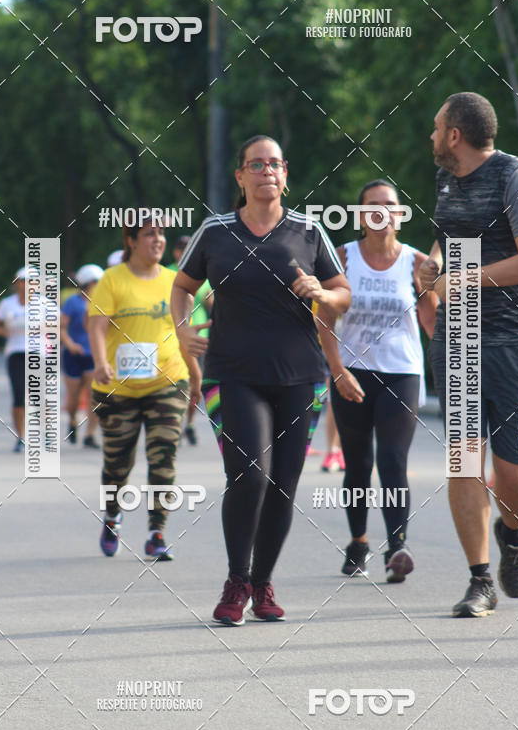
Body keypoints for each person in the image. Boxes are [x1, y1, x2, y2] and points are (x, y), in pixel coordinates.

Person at [171, 134, 351, 625]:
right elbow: (182, 287)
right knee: (249, 476)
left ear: (285, 173)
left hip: (299, 376)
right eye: (256, 164)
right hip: (232, 374)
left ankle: (263, 582)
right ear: (241, 175)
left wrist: (323, 293)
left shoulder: (310, 231)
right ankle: (236, 580)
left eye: (274, 164)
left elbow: (342, 295)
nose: (266, 171)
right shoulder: (216, 230)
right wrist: (183, 329)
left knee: (283, 485)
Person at [420, 92, 518, 617]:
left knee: (514, 471)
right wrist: (431, 268)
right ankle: (479, 581)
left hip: (516, 338)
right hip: (459, 337)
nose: (430, 137)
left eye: (435, 127)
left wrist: (462, 280)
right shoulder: (445, 180)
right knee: (464, 460)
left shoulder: (513, 175)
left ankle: (512, 534)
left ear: (455, 134)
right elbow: (444, 240)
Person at [318, 179, 438, 582]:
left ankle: (398, 546)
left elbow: (431, 321)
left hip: (401, 371)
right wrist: (337, 370)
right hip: (353, 370)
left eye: (389, 205)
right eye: (372, 205)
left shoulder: (417, 264)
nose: (381, 212)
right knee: (357, 465)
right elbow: (324, 319)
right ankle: (358, 541)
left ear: (400, 216)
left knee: (392, 460)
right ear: (360, 215)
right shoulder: (343, 259)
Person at [87, 213, 201, 560]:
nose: (158, 240)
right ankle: (112, 516)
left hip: (167, 381)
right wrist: (101, 362)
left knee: (163, 456)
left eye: (161, 234)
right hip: (117, 389)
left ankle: (157, 532)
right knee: (117, 464)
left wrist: (195, 374)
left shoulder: (175, 281)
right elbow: (96, 326)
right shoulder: (112, 279)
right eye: (149, 234)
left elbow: (184, 332)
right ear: (131, 241)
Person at [167, 233, 214, 445]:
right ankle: (172, 422)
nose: (186, 252)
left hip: (199, 338)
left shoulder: (202, 275)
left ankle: (190, 422)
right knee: (178, 383)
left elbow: (212, 303)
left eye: (190, 248)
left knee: (196, 383)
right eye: (183, 249)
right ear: (176, 252)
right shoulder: (167, 273)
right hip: (172, 337)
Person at [61, 264, 104, 448]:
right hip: (73, 354)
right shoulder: (73, 302)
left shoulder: (104, 302)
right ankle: (72, 420)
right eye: (97, 283)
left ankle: (89, 434)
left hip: (93, 354)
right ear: (87, 283)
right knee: (73, 398)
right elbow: (61, 327)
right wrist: (70, 344)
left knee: (94, 396)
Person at [0, 268, 32, 452]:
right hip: (16, 352)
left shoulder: (46, 304)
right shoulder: (7, 304)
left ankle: (46, 434)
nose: (27, 285)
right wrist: (7, 331)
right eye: (23, 281)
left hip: (40, 353)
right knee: (19, 394)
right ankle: (21, 437)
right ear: (17, 283)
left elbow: (61, 323)